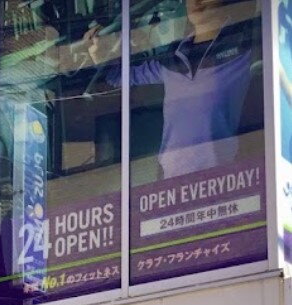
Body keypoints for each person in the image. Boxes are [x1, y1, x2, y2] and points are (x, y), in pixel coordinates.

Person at [85, 0, 259, 179]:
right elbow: (116, 76)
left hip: (223, 179)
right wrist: (101, 51)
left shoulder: (246, 47)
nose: (196, 1)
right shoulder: (173, 58)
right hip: (173, 179)